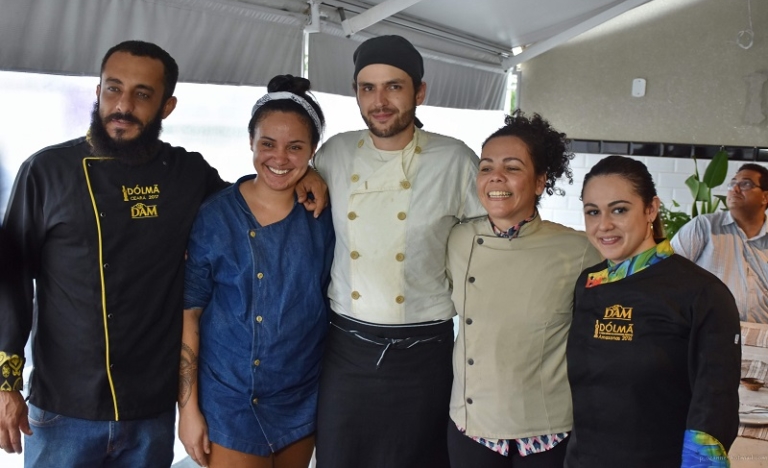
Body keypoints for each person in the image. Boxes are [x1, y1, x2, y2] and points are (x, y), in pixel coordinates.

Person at [0, 40, 326, 466]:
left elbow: (254, 199)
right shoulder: (46, 171)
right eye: (113, 89)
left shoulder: (186, 172)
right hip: (65, 407)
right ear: (97, 92)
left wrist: (309, 174)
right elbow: (10, 281)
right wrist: (6, 383)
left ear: (167, 106)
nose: (123, 106)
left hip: (150, 409)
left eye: (142, 94)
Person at [312, 34, 485, 468]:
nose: (380, 101)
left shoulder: (455, 160)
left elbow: (491, 239)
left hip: (424, 351)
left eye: (394, 86)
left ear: (419, 92)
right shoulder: (333, 154)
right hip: (346, 347)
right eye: (367, 88)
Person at [177, 75, 334, 468]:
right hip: (228, 401)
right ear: (251, 141)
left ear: (313, 150)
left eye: (295, 147)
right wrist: (188, 410)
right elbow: (189, 313)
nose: (280, 158)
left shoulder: (324, 217)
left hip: (300, 398)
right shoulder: (214, 216)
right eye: (268, 144)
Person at [445, 112, 601, 468]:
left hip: (546, 431)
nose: (496, 176)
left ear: (540, 181)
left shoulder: (578, 249)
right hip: (471, 426)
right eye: (486, 167)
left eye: (512, 168)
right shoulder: (456, 238)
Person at [566, 155, 741, 468]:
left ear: (651, 209)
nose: (603, 225)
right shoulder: (589, 283)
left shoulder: (702, 293)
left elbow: (715, 406)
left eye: (619, 209)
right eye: (593, 212)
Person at [671, 163, 768, 322]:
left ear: (765, 197)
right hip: (709, 330)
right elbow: (667, 272)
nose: (735, 189)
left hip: (762, 333)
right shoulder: (704, 226)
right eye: (732, 183)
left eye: (745, 184)